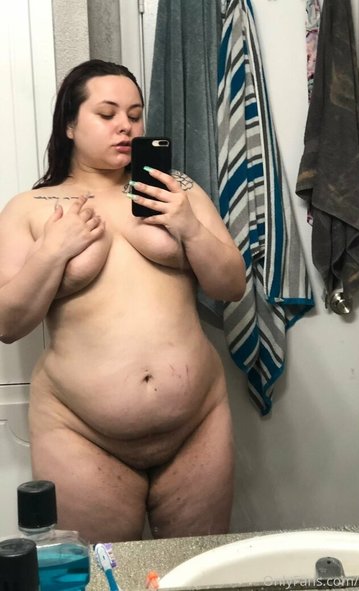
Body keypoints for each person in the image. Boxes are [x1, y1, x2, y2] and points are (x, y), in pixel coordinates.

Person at [0, 59, 245, 543]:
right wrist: (53, 251)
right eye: (107, 113)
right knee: (100, 573)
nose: (125, 126)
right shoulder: (30, 208)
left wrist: (189, 227)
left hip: (197, 422)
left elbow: (231, 285)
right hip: (80, 432)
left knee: (196, 568)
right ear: (70, 125)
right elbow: (8, 323)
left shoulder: (177, 191)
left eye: (134, 115)